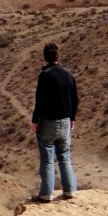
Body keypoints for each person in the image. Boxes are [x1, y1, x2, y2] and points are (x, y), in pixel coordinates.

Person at [31, 42, 79, 202]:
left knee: (47, 159)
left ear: (45, 58)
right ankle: (70, 191)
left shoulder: (44, 76)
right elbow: (75, 99)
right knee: (64, 156)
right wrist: (72, 118)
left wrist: (35, 121)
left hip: (48, 123)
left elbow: (40, 100)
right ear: (58, 56)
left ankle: (46, 194)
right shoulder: (68, 75)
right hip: (65, 122)